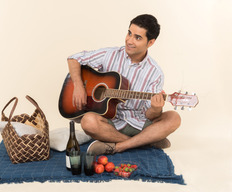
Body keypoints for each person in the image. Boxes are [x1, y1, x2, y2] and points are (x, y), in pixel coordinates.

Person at [66, 14, 181, 156]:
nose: (129, 41)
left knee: (174, 118)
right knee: (87, 122)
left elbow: (150, 116)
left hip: (138, 122)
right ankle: (145, 142)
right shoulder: (110, 54)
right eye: (129, 33)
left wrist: (156, 109)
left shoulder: (155, 73)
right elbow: (74, 58)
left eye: (137, 38)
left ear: (150, 42)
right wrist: (78, 85)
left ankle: (119, 146)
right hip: (109, 122)